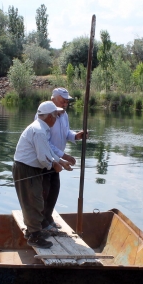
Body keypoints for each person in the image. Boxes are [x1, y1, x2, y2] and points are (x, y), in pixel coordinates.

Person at [14, 101, 73, 248]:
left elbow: (48, 151)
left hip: (29, 168)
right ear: (49, 116)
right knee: (34, 201)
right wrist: (54, 165)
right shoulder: (39, 130)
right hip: (26, 168)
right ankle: (34, 236)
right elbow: (42, 157)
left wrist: (61, 161)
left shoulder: (42, 128)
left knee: (34, 200)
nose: (57, 118)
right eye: (55, 115)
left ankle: (32, 231)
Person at [38, 88, 87, 231]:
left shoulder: (64, 115)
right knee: (44, 190)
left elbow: (66, 133)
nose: (65, 103)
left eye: (67, 101)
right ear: (53, 99)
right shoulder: (44, 115)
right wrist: (63, 156)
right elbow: (46, 142)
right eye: (63, 100)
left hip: (57, 160)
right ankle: (42, 222)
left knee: (54, 189)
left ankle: (48, 218)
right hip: (46, 159)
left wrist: (76, 136)